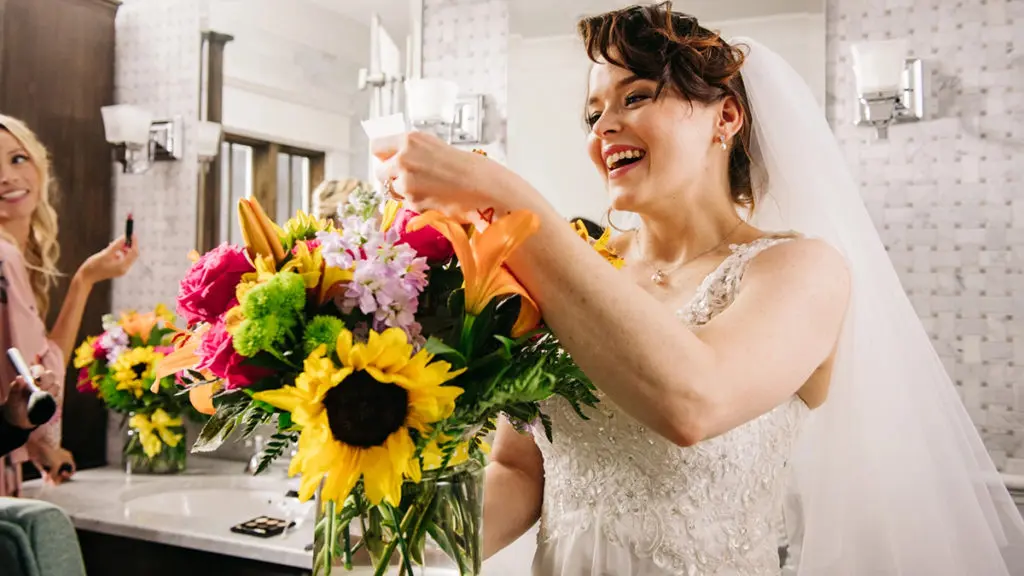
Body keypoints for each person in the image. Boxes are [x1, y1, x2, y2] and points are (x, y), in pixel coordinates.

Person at [370, 3, 1024, 575]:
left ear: (726, 117)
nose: (603, 128)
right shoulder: (575, 260)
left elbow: (692, 402)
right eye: (594, 111)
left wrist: (512, 201)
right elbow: (520, 469)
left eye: (637, 96)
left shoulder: (801, 270)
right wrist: (399, 550)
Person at [0, 115, 139, 496]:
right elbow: (36, 382)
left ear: (38, 163)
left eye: (17, 159)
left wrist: (84, 280)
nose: (8, 177)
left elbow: (39, 365)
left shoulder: (15, 257)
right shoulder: (4, 258)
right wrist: (45, 446)